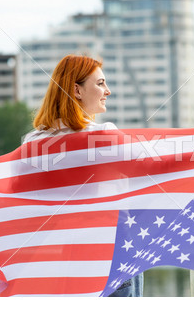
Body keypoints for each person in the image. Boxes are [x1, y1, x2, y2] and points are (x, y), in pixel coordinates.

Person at [23, 54, 143, 297]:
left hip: (58, 260)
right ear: (76, 90)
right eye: (100, 84)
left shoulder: (32, 143)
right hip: (110, 255)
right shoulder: (103, 136)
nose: (107, 91)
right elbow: (152, 165)